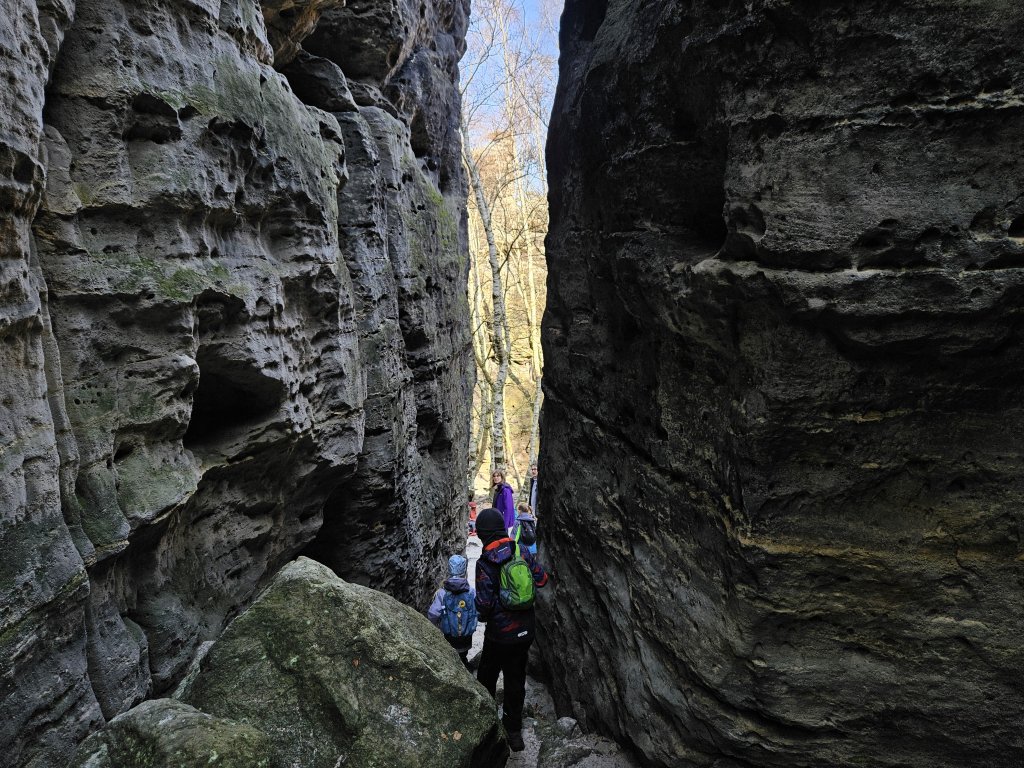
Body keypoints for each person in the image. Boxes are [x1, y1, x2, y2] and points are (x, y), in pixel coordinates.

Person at [474, 507, 549, 752]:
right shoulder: (521, 551)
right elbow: (542, 579)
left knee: (487, 677)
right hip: (525, 631)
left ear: (483, 533)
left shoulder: (485, 562)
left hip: (499, 635)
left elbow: (484, 605)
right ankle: (514, 732)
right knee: (515, 679)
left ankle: (486, 726)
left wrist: (487, 613)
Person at [427, 554, 477, 669]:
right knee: (463, 653)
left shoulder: (442, 593)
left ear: (449, 569)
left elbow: (433, 613)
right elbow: (478, 610)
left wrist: (435, 625)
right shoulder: (471, 591)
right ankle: (464, 664)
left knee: (450, 654)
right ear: (464, 570)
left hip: (449, 633)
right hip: (467, 633)